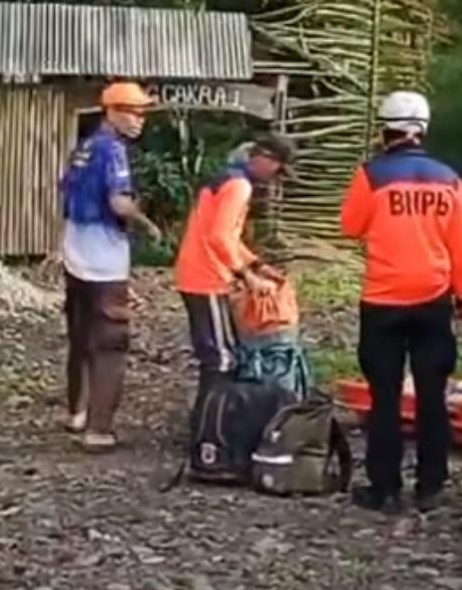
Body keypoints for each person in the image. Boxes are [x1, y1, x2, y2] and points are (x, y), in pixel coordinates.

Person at [340, 90, 462, 514]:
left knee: (385, 397)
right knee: (432, 395)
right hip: (433, 300)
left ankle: (383, 488)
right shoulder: (449, 178)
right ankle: (431, 487)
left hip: (383, 300)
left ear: (385, 129)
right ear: (424, 129)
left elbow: (350, 226)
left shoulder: (372, 175)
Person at [56, 81, 162, 452]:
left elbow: (65, 193)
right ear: (111, 111)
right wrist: (146, 224)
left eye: (142, 113)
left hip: (75, 252)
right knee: (111, 343)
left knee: (80, 335)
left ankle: (76, 412)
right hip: (104, 258)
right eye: (133, 112)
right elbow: (118, 203)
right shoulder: (114, 151)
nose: (139, 120)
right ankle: (99, 429)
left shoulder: (82, 149)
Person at [174, 133, 295, 400]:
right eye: (277, 168)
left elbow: (228, 235)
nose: (275, 177)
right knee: (222, 360)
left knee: (219, 354)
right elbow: (219, 237)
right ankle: (210, 435)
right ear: (265, 158)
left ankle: (211, 429)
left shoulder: (225, 179)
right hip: (207, 278)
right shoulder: (240, 186)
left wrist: (257, 264)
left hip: (198, 274)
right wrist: (246, 275)